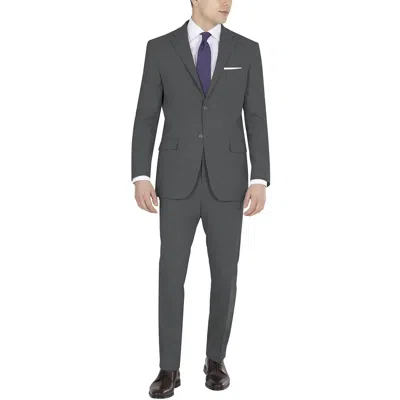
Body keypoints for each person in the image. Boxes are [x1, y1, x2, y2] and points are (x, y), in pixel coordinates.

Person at [131, 0, 270, 397]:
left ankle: (215, 359)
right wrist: (141, 174)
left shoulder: (246, 50)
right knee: (171, 274)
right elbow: (146, 115)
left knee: (225, 274)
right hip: (175, 181)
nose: (227, 2)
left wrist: (260, 176)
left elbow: (256, 116)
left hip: (229, 181)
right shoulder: (160, 49)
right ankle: (168, 368)